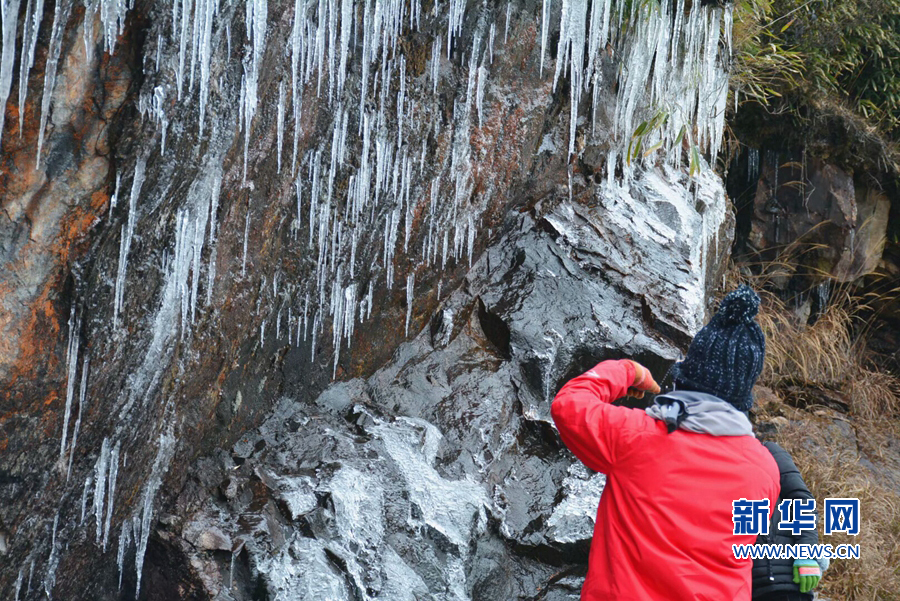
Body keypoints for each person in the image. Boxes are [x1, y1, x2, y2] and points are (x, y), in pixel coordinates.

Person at [551, 285, 780, 600]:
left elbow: (569, 406)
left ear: (685, 376)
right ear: (743, 396)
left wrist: (625, 371)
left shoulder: (637, 438)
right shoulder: (764, 471)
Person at [753, 441, 828, 601]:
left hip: (784, 581)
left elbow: (802, 501)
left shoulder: (766, 451)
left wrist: (806, 553)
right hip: (739, 586)